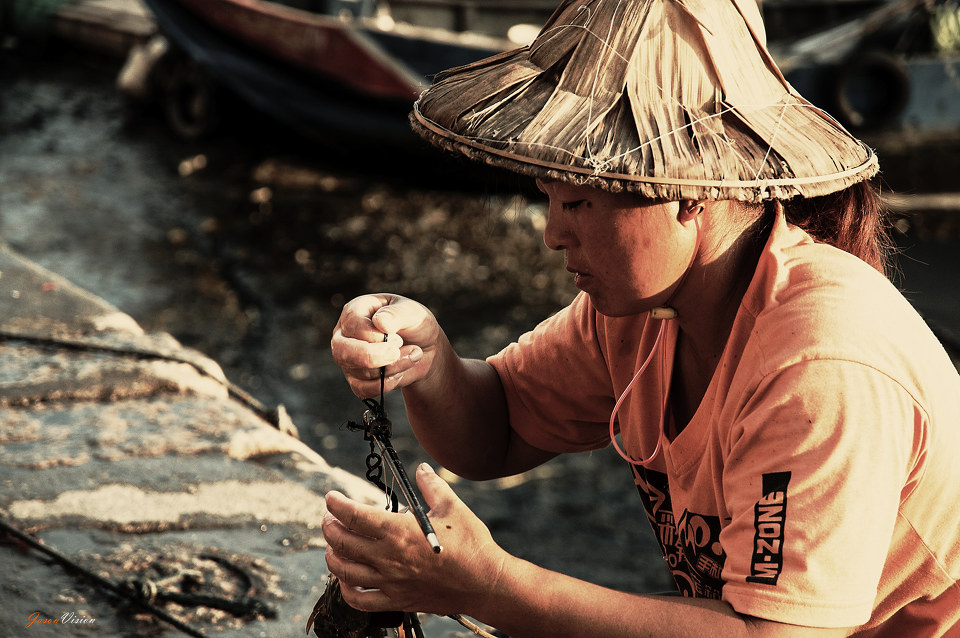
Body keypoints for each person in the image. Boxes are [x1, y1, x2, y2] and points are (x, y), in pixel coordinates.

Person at [321, 0, 960, 636]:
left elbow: (772, 635)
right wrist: (428, 360)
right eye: (550, 200)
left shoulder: (820, 365)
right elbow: (498, 428)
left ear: (689, 196)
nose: (552, 235)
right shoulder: (644, 312)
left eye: (577, 202)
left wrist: (492, 587)